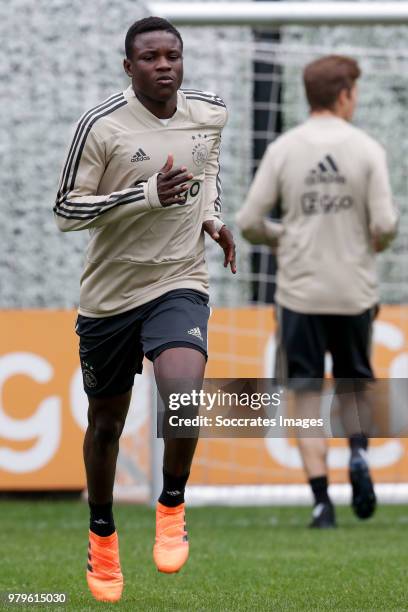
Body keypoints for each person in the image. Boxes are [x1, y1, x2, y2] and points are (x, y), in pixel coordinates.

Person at [54, 16, 236, 602]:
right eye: (151, 57)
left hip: (180, 280)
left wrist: (213, 216)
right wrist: (143, 194)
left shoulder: (210, 112)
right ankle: (102, 534)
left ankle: (172, 502)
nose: (164, 65)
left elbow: (207, 171)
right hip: (109, 297)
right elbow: (65, 210)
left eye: (173, 55)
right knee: (106, 423)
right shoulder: (101, 127)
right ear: (128, 67)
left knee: (182, 395)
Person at [236, 55, 397, 528]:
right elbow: (386, 224)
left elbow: (247, 222)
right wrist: (373, 240)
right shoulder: (367, 149)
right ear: (345, 93)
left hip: (299, 295)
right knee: (354, 384)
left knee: (305, 395)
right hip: (354, 292)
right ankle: (360, 455)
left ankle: (321, 502)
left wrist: (282, 236)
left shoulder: (285, 148)